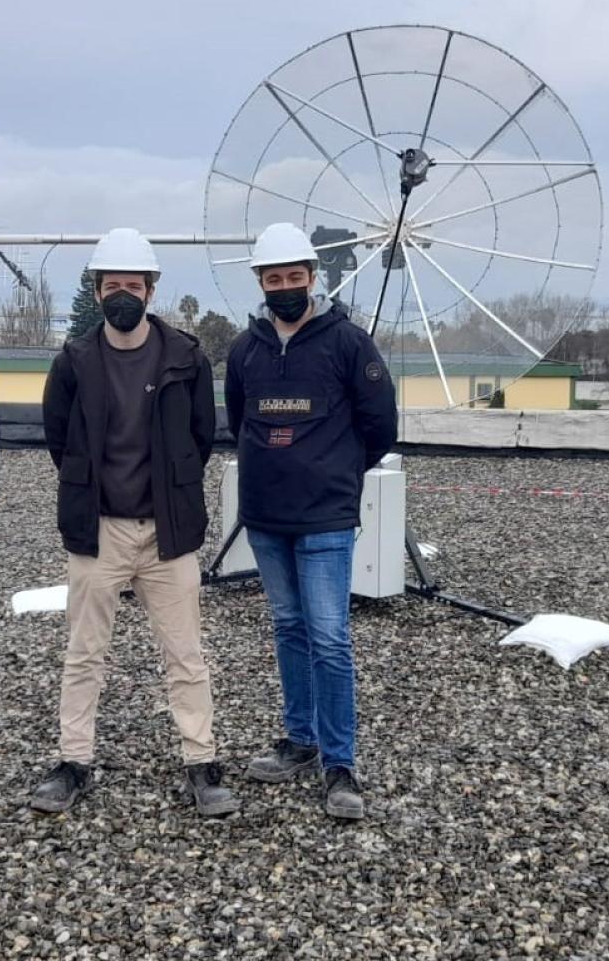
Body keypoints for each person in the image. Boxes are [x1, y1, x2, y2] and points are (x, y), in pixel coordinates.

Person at [31, 229, 236, 818]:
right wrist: (89, 491)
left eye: (133, 285)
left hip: (167, 533)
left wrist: (171, 490)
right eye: (112, 285)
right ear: (98, 292)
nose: (123, 294)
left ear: (151, 290)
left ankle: (201, 761)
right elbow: (59, 437)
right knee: (84, 653)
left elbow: (200, 436)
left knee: (186, 654)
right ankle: (73, 761)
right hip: (99, 531)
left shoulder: (185, 358)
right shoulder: (74, 361)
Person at [224, 222, 397, 820]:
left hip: (325, 517)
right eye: (274, 279)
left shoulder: (348, 343)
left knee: (329, 637)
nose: (285, 287)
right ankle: (300, 740)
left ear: (313, 278)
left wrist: (336, 470)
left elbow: (380, 425)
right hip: (266, 517)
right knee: (290, 628)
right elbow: (239, 419)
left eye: (294, 277)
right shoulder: (245, 350)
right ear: (261, 282)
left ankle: (340, 764)